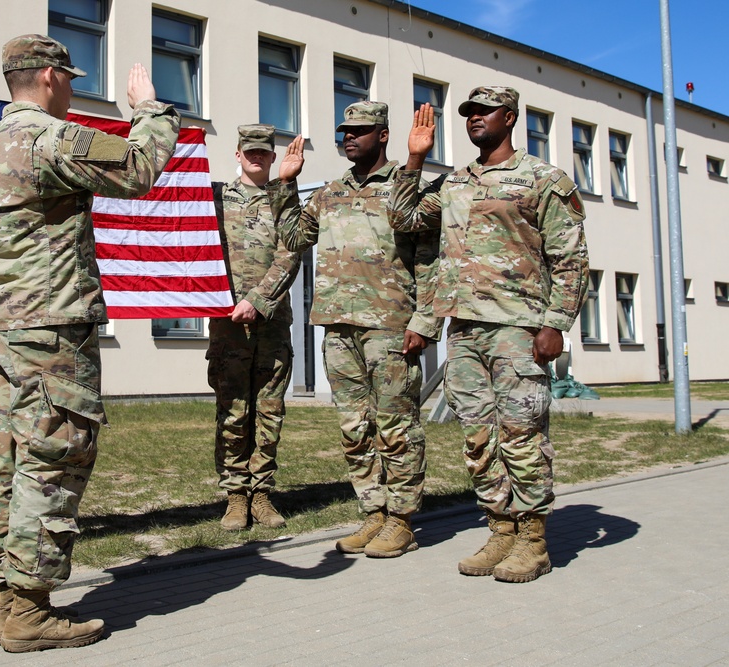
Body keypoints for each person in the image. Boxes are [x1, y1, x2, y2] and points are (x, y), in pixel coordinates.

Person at [0, 34, 180, 652]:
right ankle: (30, 610)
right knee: (54, 458)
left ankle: (9, 600)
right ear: (50, 77)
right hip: (49, 332)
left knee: (8, 463)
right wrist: (150, 110)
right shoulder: (50, 139)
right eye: (71, 80)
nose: (74, 89)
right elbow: (137, 167)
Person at [390, 87, 589, 583]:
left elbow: (571, 258)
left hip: (518, 329)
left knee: (521, 435)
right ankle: (500, 527)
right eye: (469, 113)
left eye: (484, 111)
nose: (475, 119)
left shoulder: (543, 179)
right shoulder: (454, 182)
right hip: (464, 331)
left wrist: (556, 324)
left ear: (510, 116)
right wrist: (415, 158)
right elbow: (405, 219)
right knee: (478, 436)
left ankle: (533, 539)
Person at [266, 102, 441, 558]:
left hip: (390, 326)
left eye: (359, 131)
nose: (349, 137)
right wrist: (285, 184)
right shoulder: (328, 192)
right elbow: (293, 239)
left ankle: (401, 520)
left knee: (396, 426)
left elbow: (429, 259)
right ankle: (374, 513)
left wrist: (425, 322)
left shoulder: (406, 186)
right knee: (354, 428)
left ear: (383, 135)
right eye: (344, 130)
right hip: (338, 325)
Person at [209, 124, 302, 531]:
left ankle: (261, 493)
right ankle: (234, 495)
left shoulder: (284, 200)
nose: (257, 157)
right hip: (227, 324)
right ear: (237, 153)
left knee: (269, 411)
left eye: (264, 151)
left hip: (271, 324)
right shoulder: (212, 198)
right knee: (232, 409)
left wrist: (258, 300)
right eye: (250, 151)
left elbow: (292, 253)